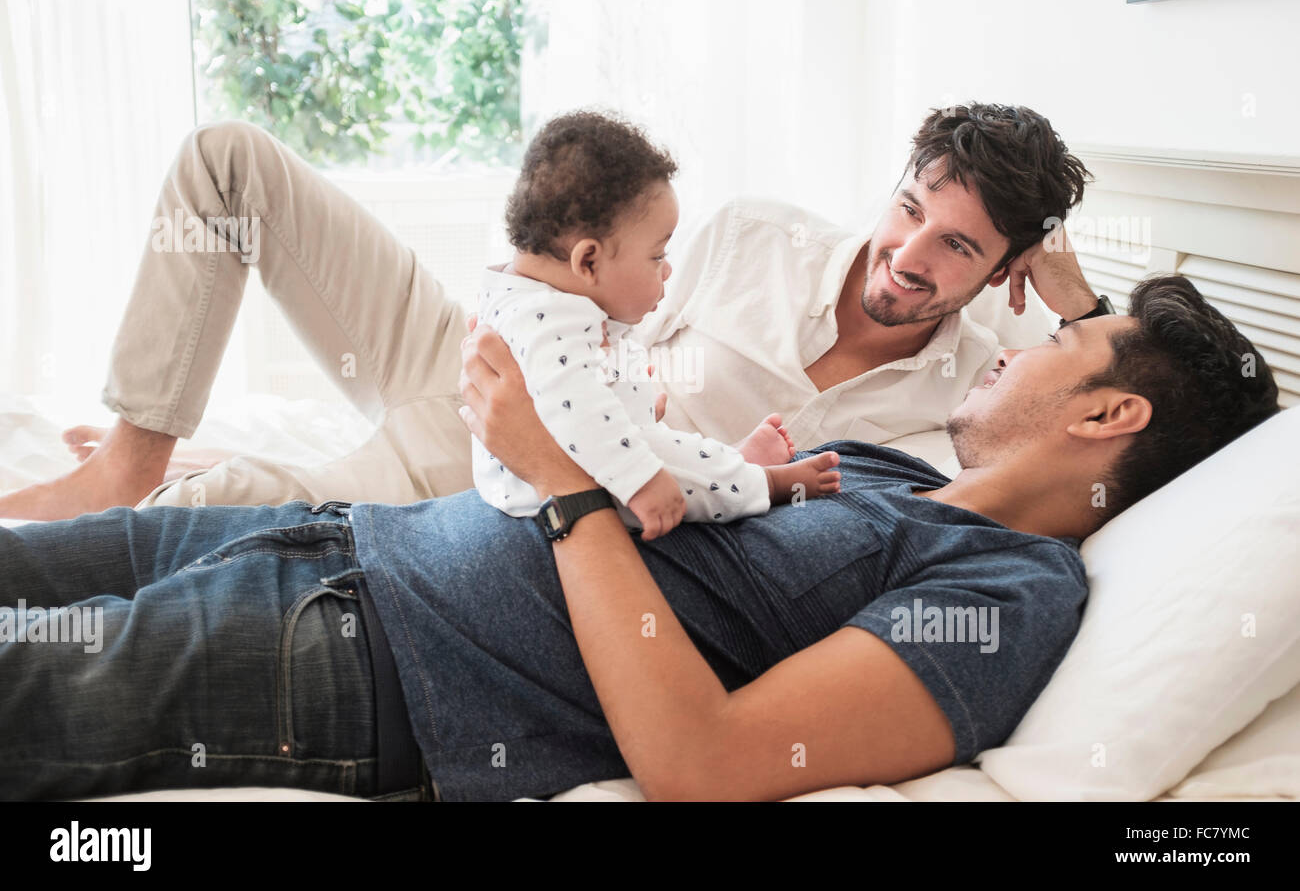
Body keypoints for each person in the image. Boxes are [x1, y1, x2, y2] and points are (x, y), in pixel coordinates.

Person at [0, 275, 1279, 802]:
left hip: (359, 662)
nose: (1013, 344)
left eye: (1055, 343)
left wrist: (565, 486)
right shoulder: (888, 468)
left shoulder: (1008, 590)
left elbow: (701, 756)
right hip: (329, 541)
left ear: (1111, 412)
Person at [0, 102, 1099, 521]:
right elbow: (599, 300)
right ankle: (135, 456)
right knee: (227, 162)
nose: (904, 256)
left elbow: (1182, 411)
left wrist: (1075, 295)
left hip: (525, 453)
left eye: (954, 245)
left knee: (235, 507)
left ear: (1001, 267)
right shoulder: (762, 234)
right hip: (484, 344)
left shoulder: (981, 381)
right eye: (908, 207)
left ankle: (186, 482)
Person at [476, 109, 841, 539]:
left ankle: (730, 462)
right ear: (587, 260)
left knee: (666, 447)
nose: (667, 271)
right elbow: (575, 407)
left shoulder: (529, 295)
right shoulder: (546, 317)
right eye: (657, 256)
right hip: (565, 490)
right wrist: (641, 482)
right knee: (660, 461)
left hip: (584, 461)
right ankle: (767, 483)